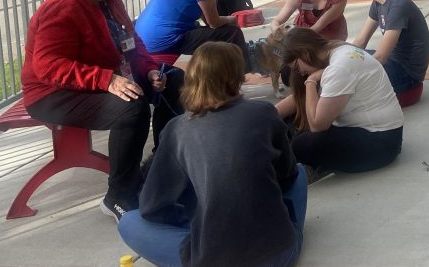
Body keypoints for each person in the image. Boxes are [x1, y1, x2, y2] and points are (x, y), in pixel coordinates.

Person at [21, 0, 182, 221]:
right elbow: (48, 66)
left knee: (174, 79)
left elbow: (133, 44)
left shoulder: (110, 0)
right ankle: (118, 196)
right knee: (132, 108)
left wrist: (151, 70)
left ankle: (161, 165)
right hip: (51, 93)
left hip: (98, 78)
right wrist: (106, 80)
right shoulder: (61, 8)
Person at [118, 42, 306, 267]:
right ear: (238, 77)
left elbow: (151, 205)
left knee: (129, 221)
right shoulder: (264, 113)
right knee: (301, 174)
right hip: (278, 253)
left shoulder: (177, 129)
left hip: (211, 257)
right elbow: (287, 176)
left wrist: (191, 222)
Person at [273, 27, 404, 173]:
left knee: (302, 145)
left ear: (305, 53)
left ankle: (306, 166)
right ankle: (301, 161)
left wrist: (310, 81)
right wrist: (268, 115)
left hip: (382, 141)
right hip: (370, 130)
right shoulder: (336, 50)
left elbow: (317, 125)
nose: (300, 72)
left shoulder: (339, 67)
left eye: (297, 67)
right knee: (286, 120)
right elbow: (300, 100)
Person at [347, 0, 429, 106]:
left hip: (407, 75)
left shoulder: (397, 7)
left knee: (350, 83)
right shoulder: (379, 1)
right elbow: (361, 41)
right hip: (394, 62)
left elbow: (380, 58)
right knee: (352, 60)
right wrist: (341, 60)